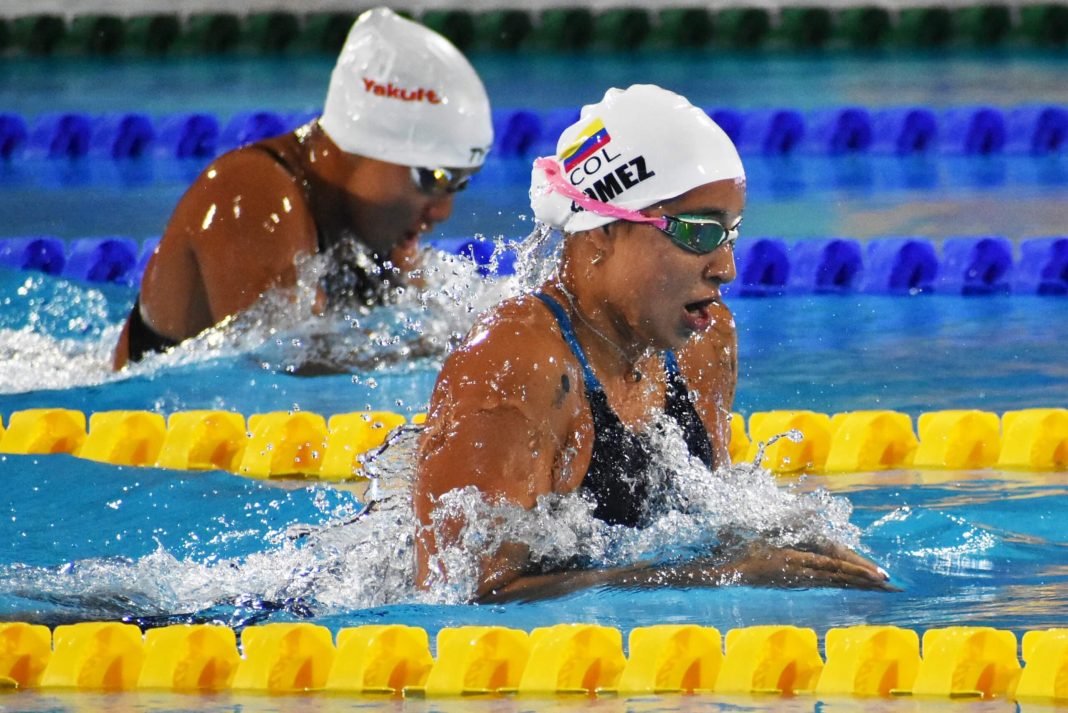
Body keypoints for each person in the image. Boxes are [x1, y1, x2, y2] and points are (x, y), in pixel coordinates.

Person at [414, 85, 894, 602]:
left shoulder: (704, 344)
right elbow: (462, 597)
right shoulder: (518, 361)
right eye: (698, 233)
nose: (726, 269)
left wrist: (784, 545)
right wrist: (723, 572)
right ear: (601, 232)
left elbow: (703, 524)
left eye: (731, 233)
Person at [113, 8, 493, 369]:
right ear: (364, 146)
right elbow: (283, 366)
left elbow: (439, 324)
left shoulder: (377, 233)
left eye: (459, 183)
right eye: (432, 179)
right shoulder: (249, 195)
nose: (442, 212)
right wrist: (431, 353)